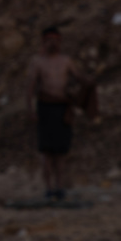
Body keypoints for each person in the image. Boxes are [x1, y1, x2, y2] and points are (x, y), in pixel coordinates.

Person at [26, 25, 84, 201]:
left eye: (57, 40)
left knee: (61, 151)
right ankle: (49, 188)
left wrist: (83, 89)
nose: (54, 43)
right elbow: (30, 88)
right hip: (45, 107)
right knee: (46, 152)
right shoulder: (38, 62)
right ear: (44, 41)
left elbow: (79, 78)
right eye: (50, 40)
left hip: (62, 107)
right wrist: (31, 110)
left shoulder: (66, 61)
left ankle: (60, 187)